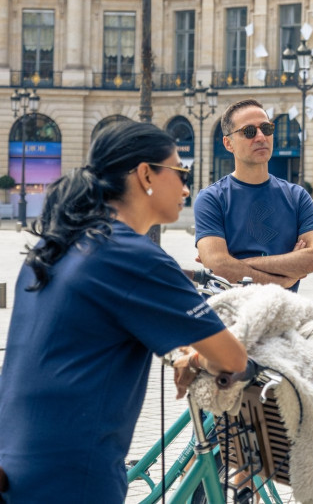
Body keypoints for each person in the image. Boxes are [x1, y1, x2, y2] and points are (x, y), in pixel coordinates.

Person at [0, 121, 247, 502]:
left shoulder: (60, 240)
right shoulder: (132, 256)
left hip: (16, 457)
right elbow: (232, 357)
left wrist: (183, 350)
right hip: (72, 474)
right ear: (146, 174)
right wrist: (201, 358)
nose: (186, 188)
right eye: (180, 172)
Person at [195, 98, 313, 292]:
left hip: (283, 315)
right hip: (230, 315)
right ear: (228, 143)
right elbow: (219, 266)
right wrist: (285, 279)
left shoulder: (298, 197)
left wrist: (239, 264)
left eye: (266, 128)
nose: (261, 137)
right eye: (249, 132)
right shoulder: (211, 199)